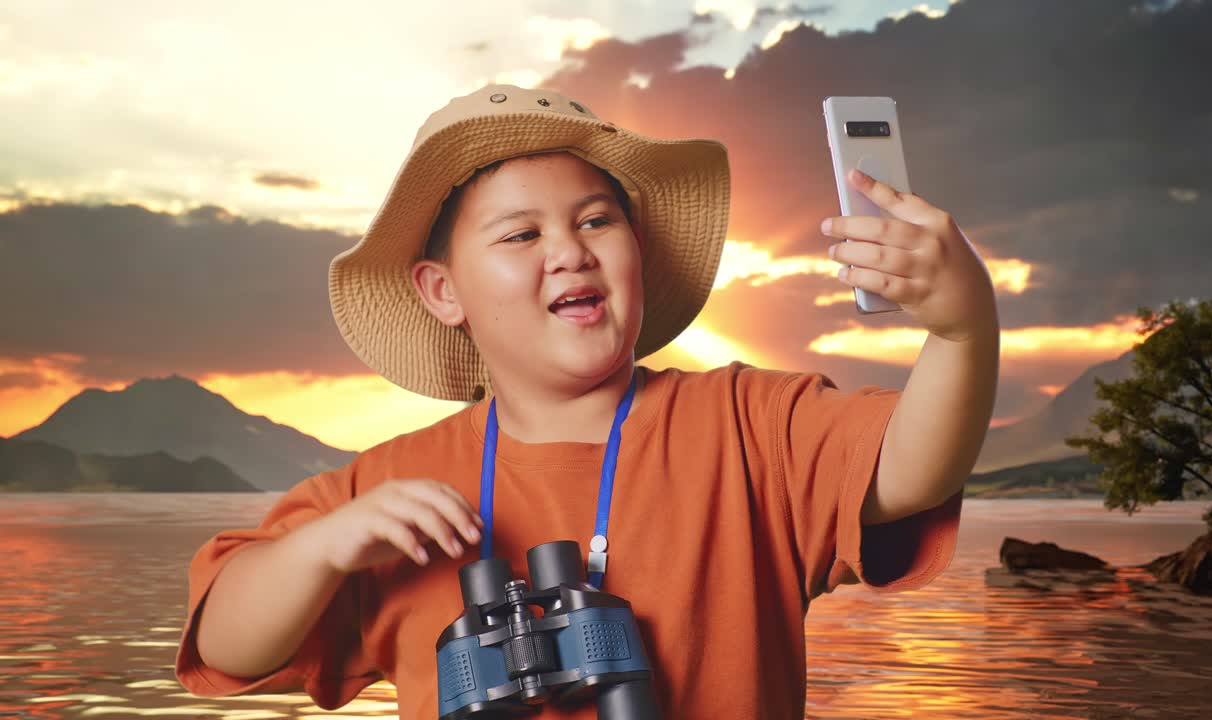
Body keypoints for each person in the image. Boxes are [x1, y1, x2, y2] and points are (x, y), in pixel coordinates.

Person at [173, 83, 999, 719]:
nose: (569, 251)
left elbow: (909, 472)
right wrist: (321, 547)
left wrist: (963, 330)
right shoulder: (384, 496)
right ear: (441, 290)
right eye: (521, 235)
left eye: (597, 221)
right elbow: (224, 645)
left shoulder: (751, 426)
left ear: (637, 250)